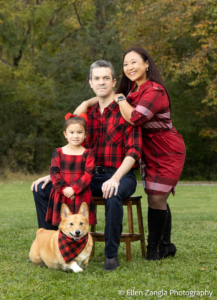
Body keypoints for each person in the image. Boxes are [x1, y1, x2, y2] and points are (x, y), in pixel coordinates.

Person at [75, 48, 186, 261]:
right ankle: (166, 244)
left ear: (147, 64)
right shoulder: (133, 91)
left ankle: (154, 249)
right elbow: (105, 96)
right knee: (157, 196)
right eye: (126, 64)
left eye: (134, 62)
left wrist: (118, 98)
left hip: (165, 148)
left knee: (156, 197)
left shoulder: (155, 90)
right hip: (147, 147)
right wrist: (87, 103)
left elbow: (134, 118)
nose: (130, 67)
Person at [31, 60, 142, 271]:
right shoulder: (85, 115)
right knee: (42, 190)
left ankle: (110, 254)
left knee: (112, 193)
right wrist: (54, 177)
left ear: (114, 82)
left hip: (120, 175)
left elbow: (134, 152)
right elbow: (72, 145)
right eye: (97, 78)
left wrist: (116, 178)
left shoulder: (126, 111)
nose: (102, 82)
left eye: (106, 78)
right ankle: (47, 246)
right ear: (91, 83)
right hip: (86, 176)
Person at [45, 113, 96, 227]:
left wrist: (74, 189)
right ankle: (60, 244)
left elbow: (88, 174)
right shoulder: (58, 152)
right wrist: (65, 189)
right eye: (71, 132)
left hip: (81, 193)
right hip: (61, 193)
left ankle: (82, 244)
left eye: (79, 132)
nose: (75, 136)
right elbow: (54, 172)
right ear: (65, 134)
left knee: (80, 225)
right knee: (63, 225)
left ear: (85, 135)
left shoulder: (88, 153)